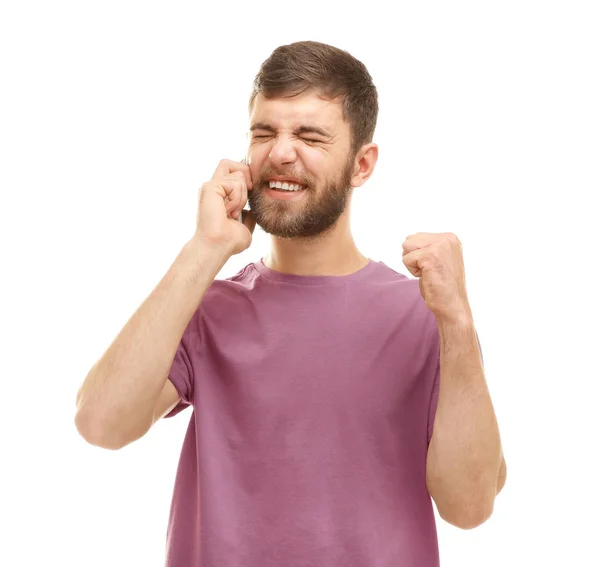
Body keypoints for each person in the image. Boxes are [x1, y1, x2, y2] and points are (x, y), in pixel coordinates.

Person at [75, 40, 506, 567]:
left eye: (309, 135)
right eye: (264, 132)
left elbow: (469, 506)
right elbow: (100, 424)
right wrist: (205, 249)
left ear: (362, 164)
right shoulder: (206, 307)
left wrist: (458, 322)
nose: (280, 152)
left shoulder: (427, 315)